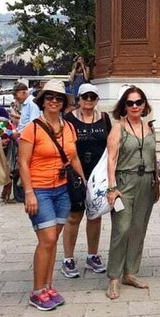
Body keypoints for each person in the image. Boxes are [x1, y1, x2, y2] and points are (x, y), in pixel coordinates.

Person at [18, 80, 86, 311]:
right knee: (46, 239)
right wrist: (29, 193)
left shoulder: (69, 127)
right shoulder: (33, 128)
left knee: (53, 239)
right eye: (50, 97)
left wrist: (84, 182)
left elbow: (73, 157)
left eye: (59, 98)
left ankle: (48, 285)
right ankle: (37, 290)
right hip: (40, 189)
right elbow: (23, 163)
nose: (54, 101)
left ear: (64, 102)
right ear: (42, 101)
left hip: (63, 189)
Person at [105, 86, 159, 299]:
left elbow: (153, 157)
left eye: (139, 102)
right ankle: (114, 277)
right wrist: (112, 187)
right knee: (122, 228)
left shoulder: (149, 127)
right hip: (124, 181)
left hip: (146, 181)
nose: (135, 106)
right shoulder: (118, 127)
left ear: (144, 105)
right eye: (130, 103)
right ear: (124, 106)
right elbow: (111, 158)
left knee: (138, 228)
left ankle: (130, 272)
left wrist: (156, 183)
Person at [61, 83, 111, 278]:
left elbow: (110, 145)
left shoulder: (104, 118)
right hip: (76, 173)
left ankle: (92, 255)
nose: (88, 100)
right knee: (74, 216)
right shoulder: (69, 119)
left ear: (97, 99)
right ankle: (68, 258)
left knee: (95, 215)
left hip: (97, 174)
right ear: (78, 99)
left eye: (92, 97)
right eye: (85, 97)